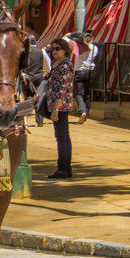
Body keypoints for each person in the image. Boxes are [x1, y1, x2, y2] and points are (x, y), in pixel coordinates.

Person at [43, 38, 76, 179]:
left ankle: (63, 168)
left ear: (65, 50)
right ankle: (65, 168)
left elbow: (63, 89)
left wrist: (56, 108)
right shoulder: (61, 64)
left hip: (60, 106)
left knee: (61, 137)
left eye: (57, 48)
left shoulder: (64, 66)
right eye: (52, 49)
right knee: (63, 136)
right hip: (59, 104)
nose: (54, 51)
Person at [72, 29, 98, 124]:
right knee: (87, 94)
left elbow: (70, 39)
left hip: (79, 71)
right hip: (89, 72)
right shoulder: (95, 48)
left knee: (78, 93)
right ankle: (85, 113)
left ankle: (82, 111)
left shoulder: (78, 46)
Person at [23, 33, 46, 127]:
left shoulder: (24, 51)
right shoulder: (41, 51)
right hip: (39, 77)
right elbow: (48, 64)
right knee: (39, 97)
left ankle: (25, 121)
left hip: (27, 78)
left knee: (24, 98)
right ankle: (39, 120)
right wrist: (46, 72)